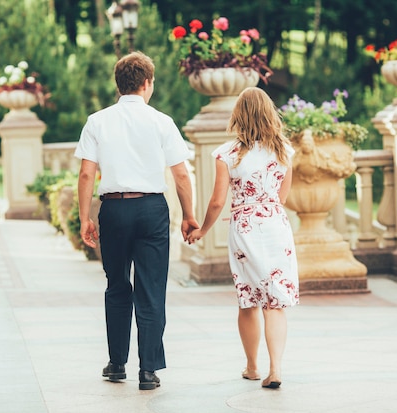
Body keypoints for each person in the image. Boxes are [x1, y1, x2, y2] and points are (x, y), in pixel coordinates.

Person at [74, 51, 198, 391]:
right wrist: (188, 215)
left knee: (117, 285)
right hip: (151, 211)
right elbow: (182, 176)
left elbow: (87, 175)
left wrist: (85, 218)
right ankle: (148, 369)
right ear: (147, 84)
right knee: (151, 289)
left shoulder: (97, 121)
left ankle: (116, 363)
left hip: (113, 210)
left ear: (119, 85)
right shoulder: (161, 121)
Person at [187, 87, 299, 389]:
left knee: (248, 298)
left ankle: (252, 366)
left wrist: (203, 229)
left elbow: (216, 201)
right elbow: (281, 197)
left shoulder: (227, 154)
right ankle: (275, 369)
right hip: (275, 225)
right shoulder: (284, 151)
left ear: (238, 115)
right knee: (275, 300)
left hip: (244, 227)